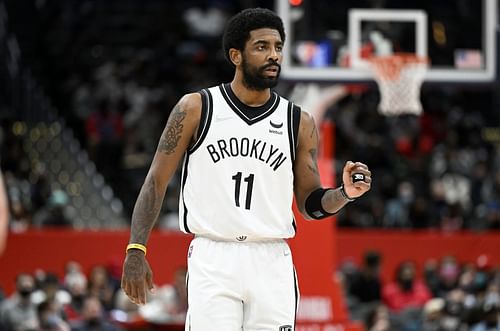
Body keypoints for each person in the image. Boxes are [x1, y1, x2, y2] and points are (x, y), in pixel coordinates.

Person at [121, 7, 371, 330]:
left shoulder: (298, 122)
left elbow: (310, 206)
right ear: (236, 55)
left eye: (278, 47)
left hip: (271, 259)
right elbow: (155, 182)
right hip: (214, 256)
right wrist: (136, 249)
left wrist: (345, 193)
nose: (274, 56)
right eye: (262, 47)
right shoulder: (196, 109)